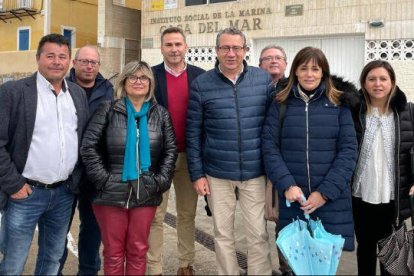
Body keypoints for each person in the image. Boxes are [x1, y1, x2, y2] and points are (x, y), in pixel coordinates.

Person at [0, 33, 89, 275]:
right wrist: (13, 184)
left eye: (62, 56)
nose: (56, 62)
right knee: (13, 263)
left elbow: (82, 142)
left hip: (63, 194)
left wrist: (75, 181)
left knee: (51, 260)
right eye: (50, 56)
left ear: (70, 61)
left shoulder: (77, 95)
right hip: (25, 194)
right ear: (38, 58)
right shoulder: (14, 92)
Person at [186, 27, 272, 275]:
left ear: (246, 50)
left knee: (257, 233)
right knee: (223, 234)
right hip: (217, 174)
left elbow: (272, 124)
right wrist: (197, 174)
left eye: (237, 48)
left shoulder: (262, 80)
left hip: (255, 172)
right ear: (217, 51)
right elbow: (193, 132)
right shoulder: (202, 84)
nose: (231, 53)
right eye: (225, 47)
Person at [80, 60, 178, 275]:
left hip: (145, 193)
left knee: (138, 250)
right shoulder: (107, 109)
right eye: (132, 77)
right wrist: (104, 180)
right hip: (110, 194)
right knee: (113, 253)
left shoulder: (160, 114)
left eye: (143, 77)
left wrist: (159, 182)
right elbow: (88, 147)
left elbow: (170, 152)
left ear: (150, 83)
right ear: (123, 82)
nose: (138, 81)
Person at [261, 47, 358, 258]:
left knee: (324, 264)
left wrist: (324, 193)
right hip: (295, 199)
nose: (309, 74)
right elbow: (269, 147)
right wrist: (286, 185)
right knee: (298, 263)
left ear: (324, 72)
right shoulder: (280, 104)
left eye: (315, 69)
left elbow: (348, 151)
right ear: (295, 71)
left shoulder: (338, 104)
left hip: (330, 201)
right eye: (303, 68)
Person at [147, 27, 205, 276]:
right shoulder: (149, 76)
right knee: (155, 215)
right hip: (159, 158)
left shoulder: (201, 77)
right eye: (169, 44)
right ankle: (155, 266)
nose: (174, 49)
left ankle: (185, 264)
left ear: (186, 47)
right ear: (161, 48)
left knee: (186, 214)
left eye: (178, 44)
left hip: (190, 156)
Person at [351, 60, 414, 276]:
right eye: (372, 79)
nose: (378, 84)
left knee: (393, 255)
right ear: (364, 83)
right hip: (361, 195)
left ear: (392, 82)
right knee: (365, 250)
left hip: (393, 197)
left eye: (383, 79)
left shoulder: (408, 112)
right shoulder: (353, 113)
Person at [59, 45, 114, 275]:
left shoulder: (108, 89)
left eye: (94, 62)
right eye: (84, 61)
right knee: (59, 228)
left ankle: (88, 271)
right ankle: (54, 269)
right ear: (74, 63)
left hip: (95, 171)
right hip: (67, 171)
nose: (89, 66)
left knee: (92, 229)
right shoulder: (62, 87)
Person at [259, 44, 291, 276]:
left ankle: (286, 267)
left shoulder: (294, 89)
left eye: (278, 57)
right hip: (254, 165)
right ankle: (258, 266)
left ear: (286, 63)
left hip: (283, 164)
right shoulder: (252, 87)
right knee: (256, 223)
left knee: (285, 221)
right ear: (259, 64)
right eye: (267, 58)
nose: (273, 61)